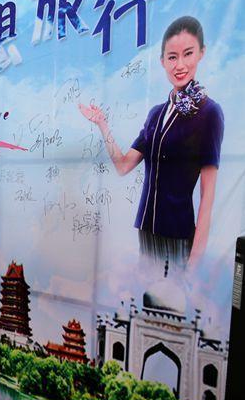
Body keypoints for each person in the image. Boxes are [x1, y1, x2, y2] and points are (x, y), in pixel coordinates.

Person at [79, 16, 223, 271]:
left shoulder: (208, 112)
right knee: (145, 295)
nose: (180, 65)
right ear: (162, 61)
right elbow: (123, 165)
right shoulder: (156, 114)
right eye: (172, 57)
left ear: (201, 53)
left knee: (169, 296)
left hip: (178, 238)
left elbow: (207, 195)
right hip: (146, 231)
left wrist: (195, 262)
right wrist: (102, 124)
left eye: (188, 54)